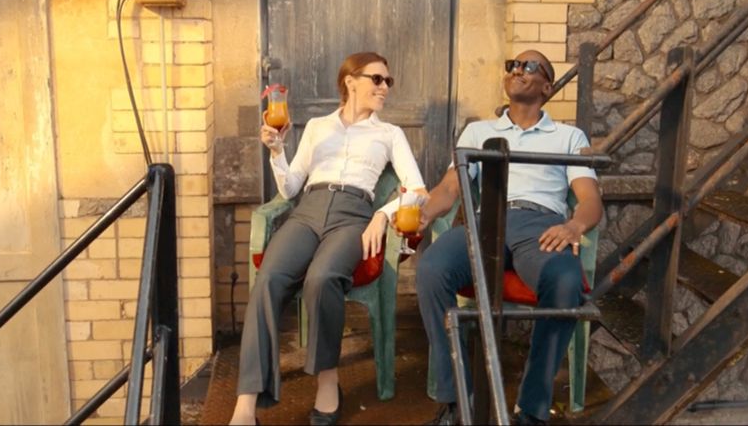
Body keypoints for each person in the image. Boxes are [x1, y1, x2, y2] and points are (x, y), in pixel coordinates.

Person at [230, 52, 428, 426]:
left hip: (353, 216)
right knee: (268, 279)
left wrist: (382, 214)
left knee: (323, 278)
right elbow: (290, 188)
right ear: (350, 81)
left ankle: (327, 380)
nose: (385, 87)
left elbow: (418, 190)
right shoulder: (318, 126)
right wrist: (277, 151)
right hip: (308, 210)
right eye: (377, 79)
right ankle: (246, 405)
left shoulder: (389, 134)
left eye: (388, 81)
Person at [412, 49, 604, 425]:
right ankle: (457, 400)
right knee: (431, 269)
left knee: (565, 282)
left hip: (541, 225)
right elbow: (450, 188)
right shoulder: (478, 131)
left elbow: (590, 200)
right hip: (487, 221)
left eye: (529, 66)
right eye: (513, 65)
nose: (518, 70)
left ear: (547, 86)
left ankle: (531, 408)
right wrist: (425, 213)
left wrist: (573, 227)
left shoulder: (569, 136)